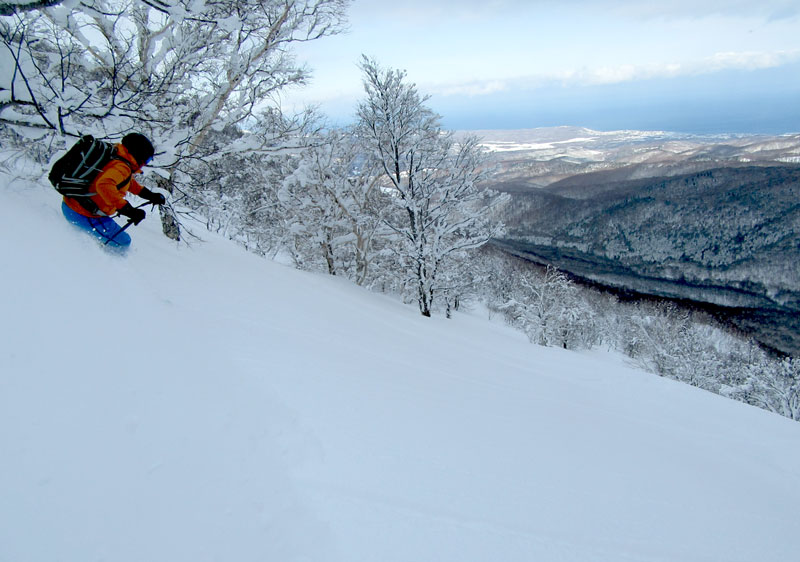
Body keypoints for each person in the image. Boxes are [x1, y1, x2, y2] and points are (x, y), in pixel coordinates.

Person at [61, 133, 165, 248]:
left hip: (75, 205)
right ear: (138, 155)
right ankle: (94, 258)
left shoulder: (117, 157)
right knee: (123, 242)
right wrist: (128, 210)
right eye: (147, 159)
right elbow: (104, 185)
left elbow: (126, 182)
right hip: (83, 213)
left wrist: (149, 195)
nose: (145, 164)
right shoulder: (121, 167)